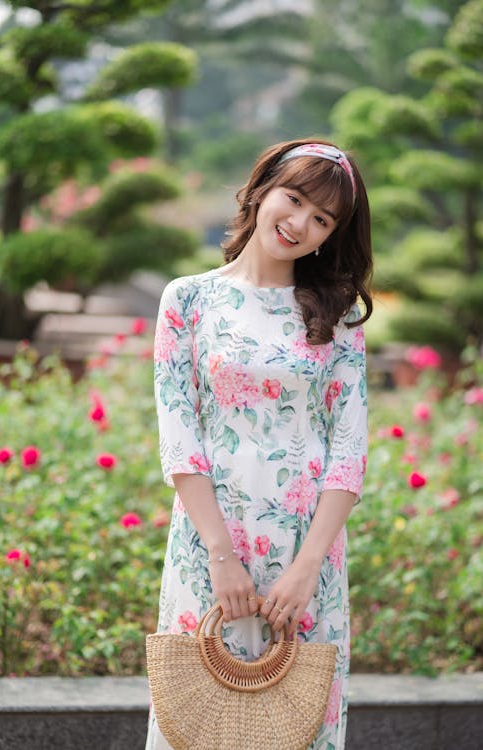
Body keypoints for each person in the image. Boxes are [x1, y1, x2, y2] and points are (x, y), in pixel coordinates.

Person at [145, 137, 373, 750]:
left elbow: (348, 454)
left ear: (330, 236)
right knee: (198, 721)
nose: (300, 223)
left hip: (308, 553)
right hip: (208, 545)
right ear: (262, 189)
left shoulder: (338, 317)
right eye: (293, 198)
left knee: (295, 727)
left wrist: (307, 571)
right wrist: (221, 556)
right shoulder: (187, 300)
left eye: (322, 218)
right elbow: (180, 438)